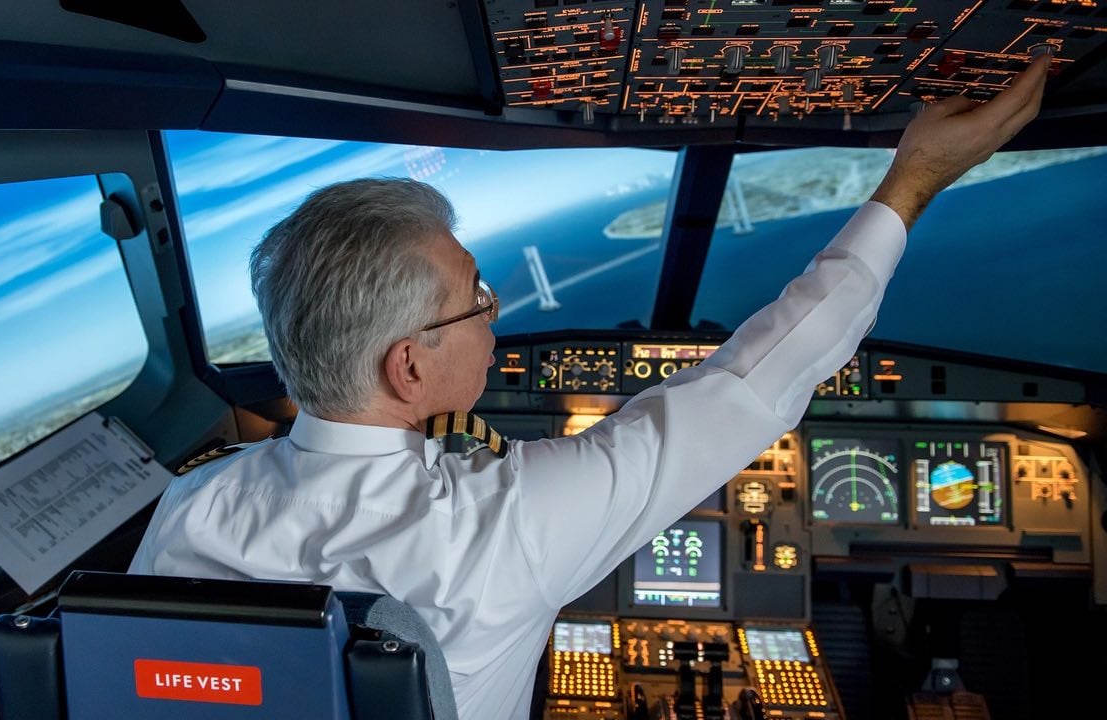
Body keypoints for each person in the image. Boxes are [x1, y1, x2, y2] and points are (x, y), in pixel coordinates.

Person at [129, 57, 1050, 720]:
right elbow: (753, 382)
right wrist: (914, 180)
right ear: (406, 367)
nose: (494, 314)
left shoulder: (189, 509)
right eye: (475, 302)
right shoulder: (501, 524)